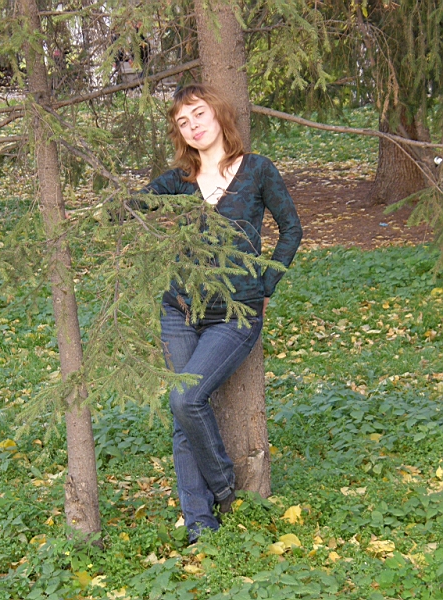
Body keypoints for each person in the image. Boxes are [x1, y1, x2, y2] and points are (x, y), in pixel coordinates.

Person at [137, 83, 302, 543]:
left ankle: (224, 486)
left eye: (198, 114)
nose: (193, 126)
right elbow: (138, 203)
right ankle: (200, 523)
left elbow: (291, 229)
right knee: (183, 416)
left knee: (186, 399)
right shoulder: (180, 180)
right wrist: (106, 208)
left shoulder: (257, 170)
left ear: (218, 114)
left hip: (236, 315)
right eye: (183, 122)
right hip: (179, 309)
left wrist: (266, 285)